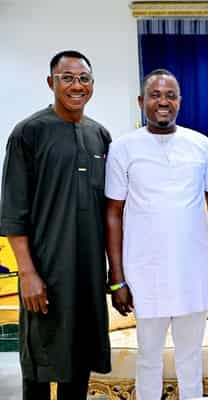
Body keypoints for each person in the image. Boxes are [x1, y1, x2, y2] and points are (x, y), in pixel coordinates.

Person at [105, 69, 208, 400]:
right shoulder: (123, 148)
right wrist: (117, 278)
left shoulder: (201, 145)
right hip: (145, 273)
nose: (163, 102)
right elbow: (113, 214)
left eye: (170, 95)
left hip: (192, 271)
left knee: (190, 358)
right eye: (155, 95)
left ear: (180, 102)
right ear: (141, 101)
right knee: (148, 358)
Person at [0, 50, 111, 399]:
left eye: (84, 79)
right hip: (45, 273)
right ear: (51, 82)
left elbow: (111, 211)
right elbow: (13, 211)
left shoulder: (100, 136)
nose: (77, 86)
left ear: (92, 84)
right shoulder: (28, 133)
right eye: (68, 78)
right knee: (39, 364)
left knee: (78, 365)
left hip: (88, 274)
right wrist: (27, 274)